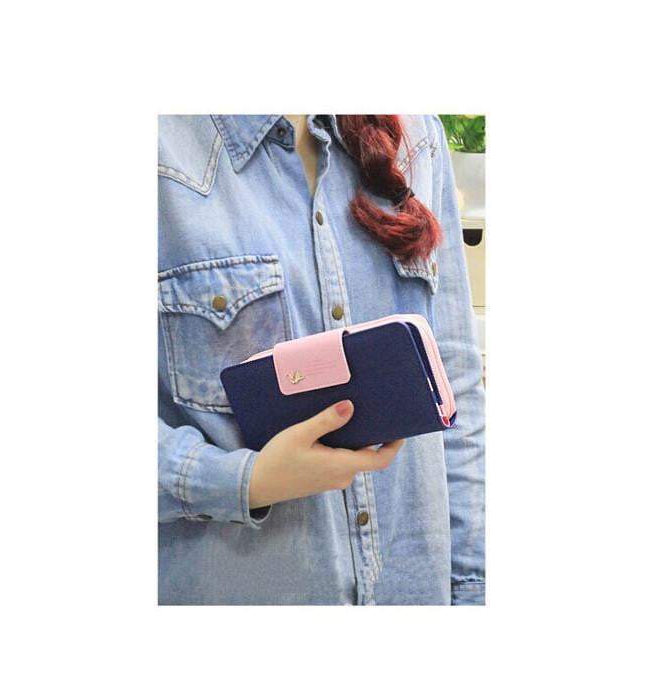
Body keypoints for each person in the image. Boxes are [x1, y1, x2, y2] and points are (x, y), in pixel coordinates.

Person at [158, 114, 485, 605]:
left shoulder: (417, 136)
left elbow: (457, 396)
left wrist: (473, 590)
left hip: (414, 590)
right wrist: (245, 481)